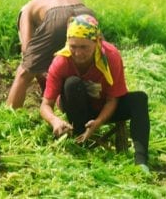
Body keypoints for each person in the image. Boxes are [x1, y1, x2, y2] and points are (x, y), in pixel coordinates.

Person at [40, 14, 150, 172]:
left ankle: (141, 161)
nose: (77, 53)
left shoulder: (110, 57)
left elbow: (113, 99)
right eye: (73, 46)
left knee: (139, 99)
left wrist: (98, 122)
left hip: (104, 106)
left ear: (97, 41)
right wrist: (54, 121)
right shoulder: (61, 61)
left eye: (84, 47)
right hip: (75, 105)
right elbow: (45, 105)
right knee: (72, 83)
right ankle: (80, 137)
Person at [6, 0, 95, 109]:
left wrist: (34, 65)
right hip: (85, 13)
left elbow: (27, 49)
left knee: (23, 73)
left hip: (56, 17)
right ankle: (105, 107)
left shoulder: (30, 6)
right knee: (98, 60)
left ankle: (10, 116)